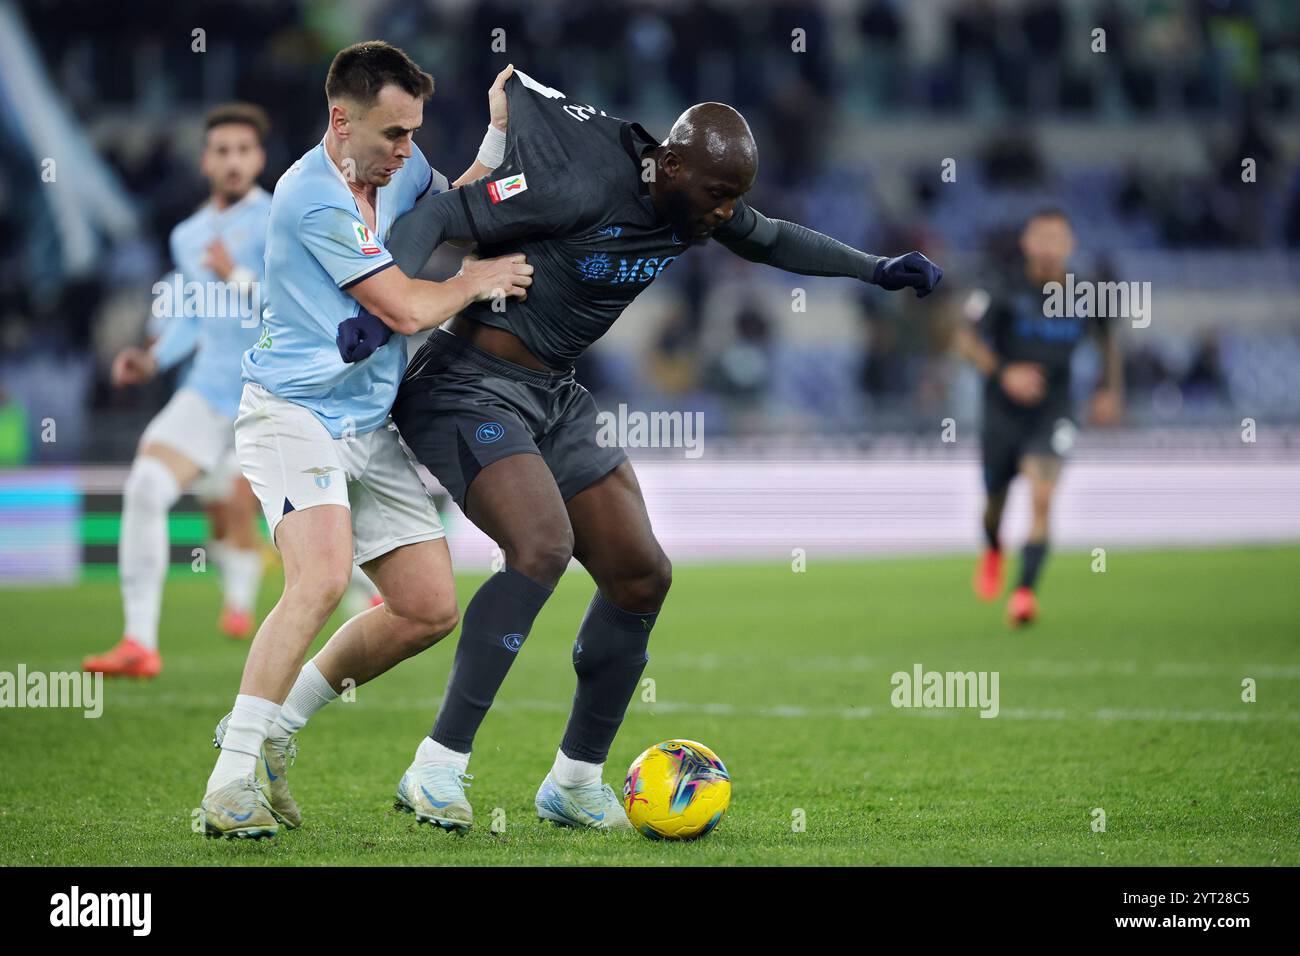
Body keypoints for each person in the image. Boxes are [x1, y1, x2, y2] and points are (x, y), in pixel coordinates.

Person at [336, 70, 941, 831]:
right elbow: (443, 216)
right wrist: (383, 300)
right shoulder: (578, 180)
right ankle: (437, 768)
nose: (726, 212)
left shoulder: (696, 206)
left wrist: (875, 268)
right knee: (541, 546)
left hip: (553, 396)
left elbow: (774, 237)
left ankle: (574, 782)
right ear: (673, 165)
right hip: (467, 385)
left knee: (640, 574)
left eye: (734, 197)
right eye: (720, 194)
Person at [199, 42, 532, 839]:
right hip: (292, 412)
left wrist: (494, 140)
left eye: (414, 133)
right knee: (316, 579)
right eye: (393, 135)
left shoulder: (399, 172)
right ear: (340, 122)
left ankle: (281, 727)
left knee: (426, 607)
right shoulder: (310, 197)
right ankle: (226, 779)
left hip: (364, 421)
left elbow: (454, 205)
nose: (408, 152)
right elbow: (406, 309)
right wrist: (478, 280)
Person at [85, 103, 273, 679]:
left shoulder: (279, 219)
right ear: (205, 161)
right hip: (207, 389)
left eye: (244, 149)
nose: (233, 160)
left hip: (272, 395)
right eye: (222, 150)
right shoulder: (187, 236)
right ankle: (139, 642)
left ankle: (368, 595)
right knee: (145, 486)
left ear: (259, 158)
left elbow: (295, 307)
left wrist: (236, 277)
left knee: (258, 512)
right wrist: (152, 358)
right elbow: (190, 318)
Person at [954, 208, 1122, 626]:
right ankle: (993, 548)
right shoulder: (1000, 287)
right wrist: (1004, 372)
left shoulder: (1086, 294)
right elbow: (964, 339)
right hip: (1002, 408)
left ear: (1070, 246)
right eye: (1041, 238)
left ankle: (1024, 592)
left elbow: (1109, 343)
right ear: (1027, 243)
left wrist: (1108, 390)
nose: (1049, 247)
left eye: (1057, 239)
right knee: (995, 503)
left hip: (1055, 407)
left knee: (1042, 495)